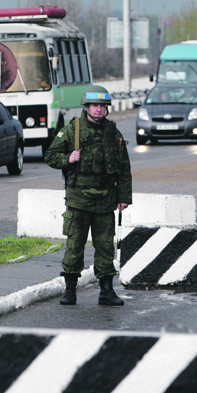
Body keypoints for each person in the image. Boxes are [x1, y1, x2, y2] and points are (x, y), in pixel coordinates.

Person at [44, 85, 132, 306]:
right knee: (75, 246)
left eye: (102, 106)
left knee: (105, 247)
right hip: (78, 200)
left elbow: (123, 168)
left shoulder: (114, 132)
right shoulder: (72, 130)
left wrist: (123, 197)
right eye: (95, 106)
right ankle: (70, 290)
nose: (99, 110)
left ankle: (106, 292)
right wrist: (68, 159)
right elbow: (51, 155)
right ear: (86, 107)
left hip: (105, 201)